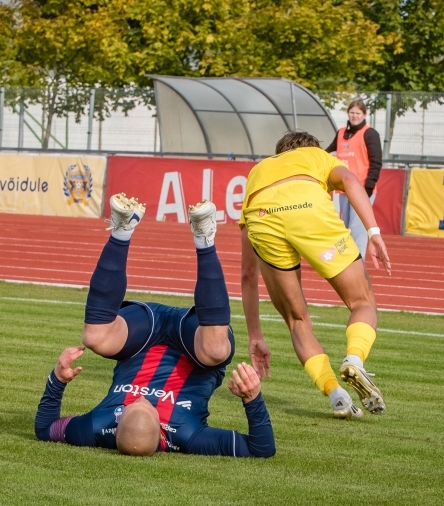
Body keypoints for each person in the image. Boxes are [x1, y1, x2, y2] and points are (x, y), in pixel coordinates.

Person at [34, 193, 276, 457]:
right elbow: (261, 448)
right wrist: (252, 397)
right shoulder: (188, 436)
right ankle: (204, 237)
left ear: (118, 422)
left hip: (142, 335)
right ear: (160, 430)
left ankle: (121, 230)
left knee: (94, 337)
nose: (140, 398)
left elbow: (45, 428)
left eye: (128, 405)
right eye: (147, 404)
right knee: (217, 350)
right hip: (194, 341)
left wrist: (57, 379)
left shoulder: (99, 426)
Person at [239, 131, 392, 420]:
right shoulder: (317, 155)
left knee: (297, 321)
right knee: (362, 301)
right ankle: (354, 360)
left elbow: (248, 273)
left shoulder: (258, 171)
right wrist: (373, 232)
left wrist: (255, 335)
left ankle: (336, 395)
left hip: (262, 216)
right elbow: (350, 181)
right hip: (308, 208)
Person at [325, 98, 383, 259]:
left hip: (361, 189)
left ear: (364, 114)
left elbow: (376, 162)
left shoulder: (370, 134)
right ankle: (347, 260)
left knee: (357, 228)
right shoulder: (341, 133)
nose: (354, 116)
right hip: (343, 190)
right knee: (345, 227)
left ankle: (358, 263)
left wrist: (368, 188)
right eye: (352, 112)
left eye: (358, 113)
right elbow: (328, 151)